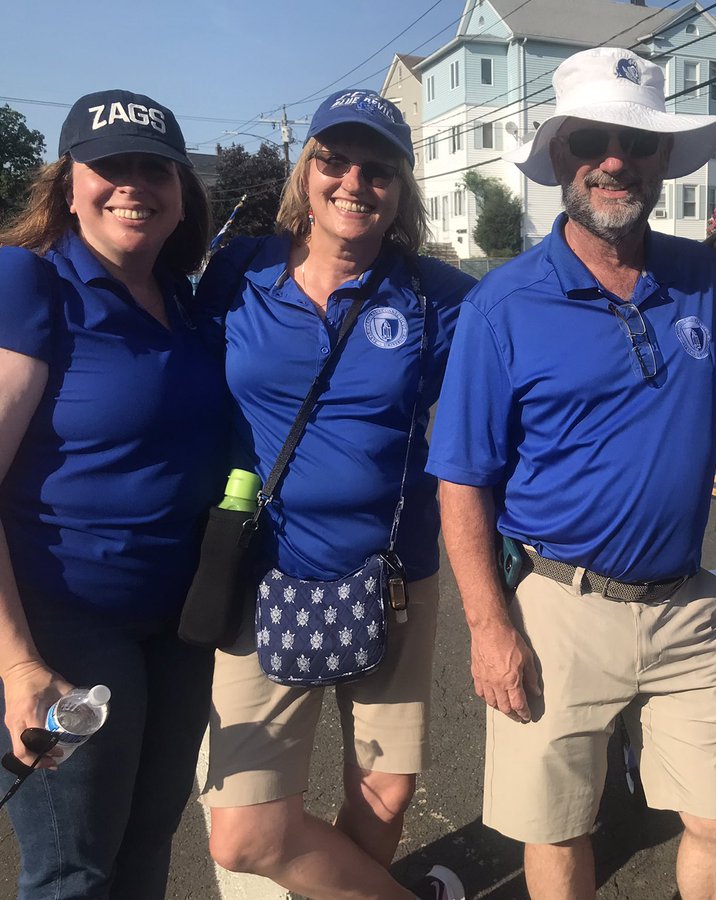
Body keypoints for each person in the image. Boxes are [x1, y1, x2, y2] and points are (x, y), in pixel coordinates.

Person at [426, 47, 716, 900]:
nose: (615, 160)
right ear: (563, 156)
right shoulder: (503, 305)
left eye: (637, 143)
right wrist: (488, 627)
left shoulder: (698, 281)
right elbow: (462, 481)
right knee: (562, 832)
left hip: (685, 607)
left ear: (661, 160)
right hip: (559, 609)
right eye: (592, 141)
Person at [195, 89, 473, 900]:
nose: (354, 181)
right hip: (261, 570)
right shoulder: (238, 272)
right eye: (333, 160)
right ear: (304, 172)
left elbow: (528, 356)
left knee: (384, 792)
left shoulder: (437, 294)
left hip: (392, 578)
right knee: (245, 832)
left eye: (378, 168)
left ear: (402, 188)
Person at [0, 90, 223, 898]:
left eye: (153, 167)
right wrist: (18, 663)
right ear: (68, 185)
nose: (133, 185)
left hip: (177, 630)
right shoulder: (30, 284)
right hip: (67, 627)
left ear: (180, 190)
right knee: (73, 871)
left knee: (147, 847)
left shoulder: (184, 298)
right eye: (110, 167)